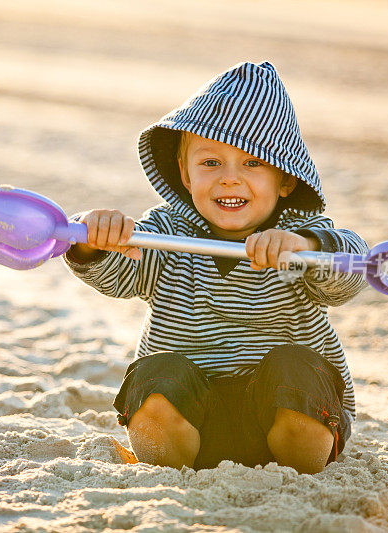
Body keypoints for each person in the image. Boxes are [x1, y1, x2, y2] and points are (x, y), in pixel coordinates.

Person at [64, 61, 368, 474]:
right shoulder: (167, 232)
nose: (229, 179)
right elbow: (120, 274)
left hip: (283, 418)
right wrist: (91, 240)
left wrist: (305, 247)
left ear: (286, 181)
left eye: (253, 164)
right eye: (211, 163)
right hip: (195, 422)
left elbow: (349, 271)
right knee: (156, 373)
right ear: (186, 175)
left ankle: (304, 467)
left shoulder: (301, 238)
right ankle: (169, 466)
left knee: (297, 367)